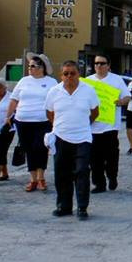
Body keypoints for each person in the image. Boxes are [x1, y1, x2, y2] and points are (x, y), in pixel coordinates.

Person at [47, 60, 100, 220]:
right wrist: (60, 126)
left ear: (79, 74)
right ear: (61, 76)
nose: (69, 76)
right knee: (62, 173)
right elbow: (50, 113)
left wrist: (82, 124)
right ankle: (64, 206)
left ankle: (82, 207)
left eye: (72, 73)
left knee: (82, 171)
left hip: (82, 138)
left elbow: (95, 112)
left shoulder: (88, 90)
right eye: (66, 74)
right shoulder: (54, 92)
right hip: (61, 138)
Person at [7, 54, 58, 192]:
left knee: (40, 147)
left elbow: (57, 100)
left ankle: (41, 177)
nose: (29, 68)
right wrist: (8, 115)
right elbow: (14, 99)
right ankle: (33, 178)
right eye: (29, 66)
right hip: (23, 121)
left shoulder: (51, 82)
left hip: (43, 121)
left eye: (33, 66)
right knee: (28, 148)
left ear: (42, 68)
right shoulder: (23, 81)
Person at [87, 55, 130, 193]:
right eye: (96, 63)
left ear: (108, 65)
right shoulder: (88, 81)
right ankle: (99, 184)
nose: (99, 66)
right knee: (95, 158)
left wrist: (121, 102)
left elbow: (127, 96)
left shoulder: (116, 79)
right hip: (93, 126)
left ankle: (112, 176)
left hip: (110, 126)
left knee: (111, 156)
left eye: (102, 63)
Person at [0, 78, 15, 183]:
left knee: (2, 150)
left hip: (7, 129)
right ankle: (5, 173)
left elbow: (17, 110)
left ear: (5, 87)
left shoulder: (12, 97)